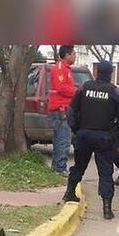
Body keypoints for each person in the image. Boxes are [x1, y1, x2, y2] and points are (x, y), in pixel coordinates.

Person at [62, 61, 119, 220]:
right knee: (105, 172)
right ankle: (107, 209)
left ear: (98, 71)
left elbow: (70, 111)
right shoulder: (115, 92)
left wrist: (76, 129)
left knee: (79, 165)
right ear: (111, 73)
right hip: (104, 138)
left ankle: (69, 192)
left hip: (84, 135)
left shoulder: (84, 88)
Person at [49, 45, 77, 175]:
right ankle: (60, 167)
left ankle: (56, 167)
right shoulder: (60, 69)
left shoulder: (66, 69)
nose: (75, 56)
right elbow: (61, 88)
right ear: (67, 55)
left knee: (59, 139)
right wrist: (77, 92)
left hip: (62, 108)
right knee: (63, 140)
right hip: (61, 109)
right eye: (74, 54)